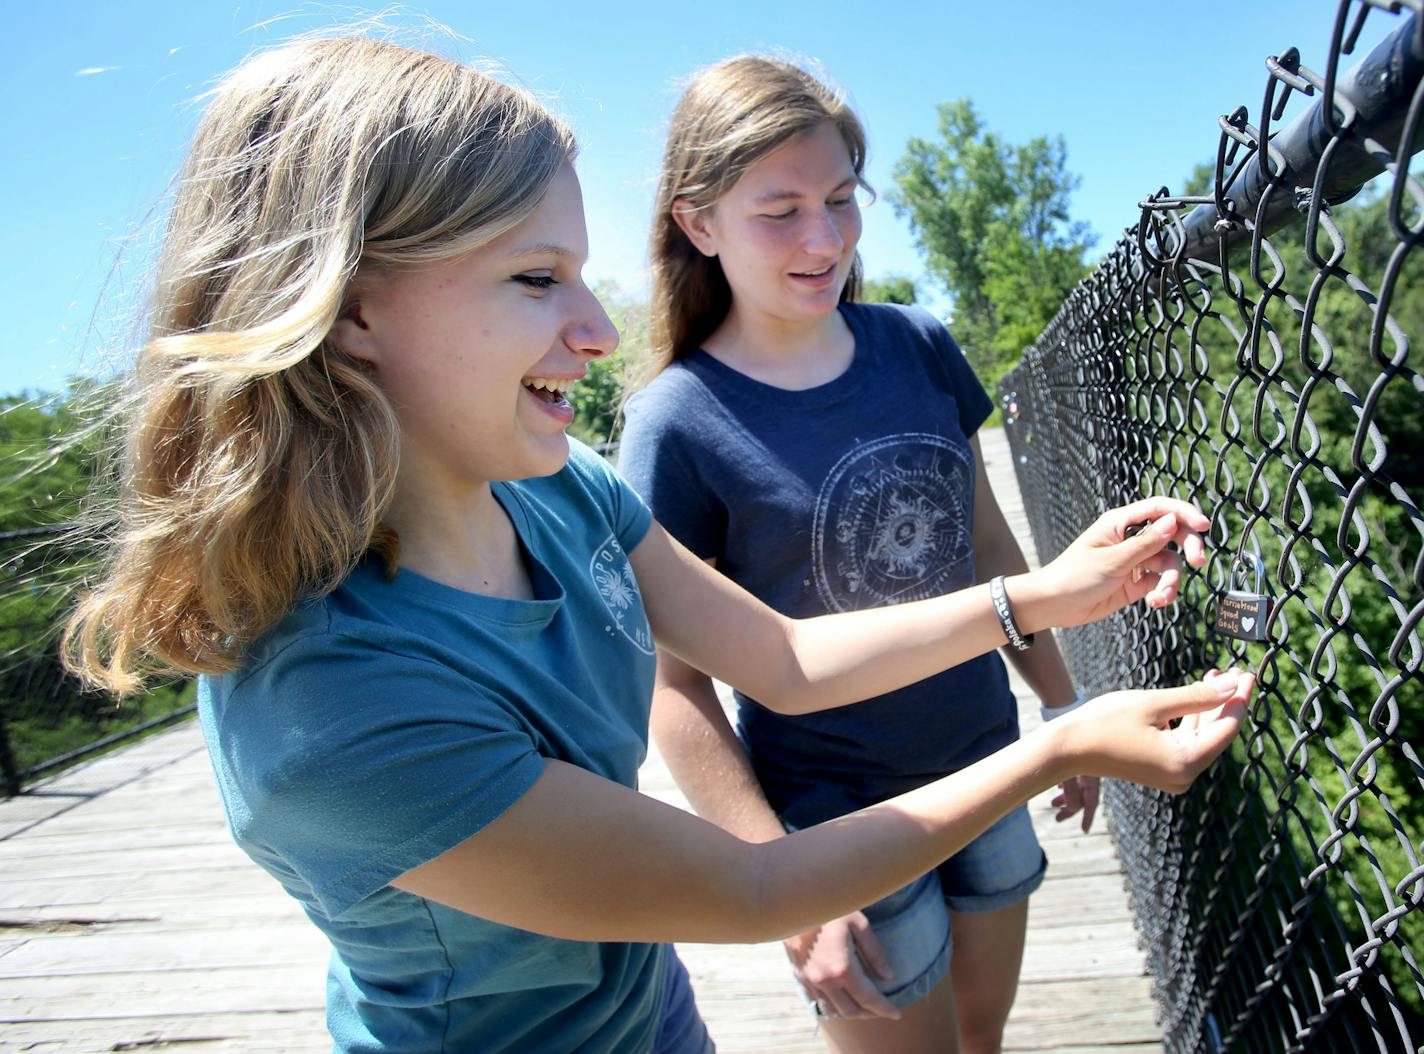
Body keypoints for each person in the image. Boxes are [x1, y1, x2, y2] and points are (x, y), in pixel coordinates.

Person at [63, 35, 1253, 1054]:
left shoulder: (560, 491)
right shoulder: (332, 713)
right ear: (349, 304)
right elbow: (749, 887)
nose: (593, 332)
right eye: (535, 279)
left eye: (581, 276)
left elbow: (781, 659)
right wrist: (1059, 748)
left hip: (651, 1016)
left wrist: (1047, 597)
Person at [617, 55, 1109, 1053]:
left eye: (841, 199)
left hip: (988, 763)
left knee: (983, 1034)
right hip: (836, 827)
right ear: (697, 223)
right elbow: (672, 688)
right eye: (780, 208)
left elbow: (984, 541)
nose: (823, 238)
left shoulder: (916, 343)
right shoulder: (673, 423)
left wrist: (1061, 706)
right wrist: (781, 882)